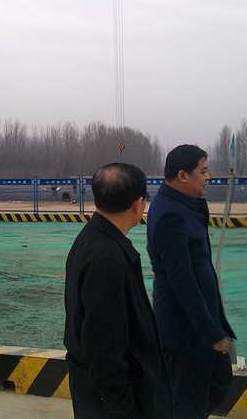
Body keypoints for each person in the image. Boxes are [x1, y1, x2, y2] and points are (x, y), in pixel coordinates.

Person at [64, 163, 172, 419]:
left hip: (98, 393)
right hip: (115, 403)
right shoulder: (107, 258)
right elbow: (104, 345)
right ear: (138, 204)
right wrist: (123, 408)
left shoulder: (92, 240)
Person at [146, 145, 236, 419]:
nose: (208, 177)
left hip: (200, 324)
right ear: (183, 176)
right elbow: (181, 281)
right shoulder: (170, 215)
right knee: (188, 403)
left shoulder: (187, 206)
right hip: (184, 331)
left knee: (217, 383)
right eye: (203, 171)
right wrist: (212, 333)